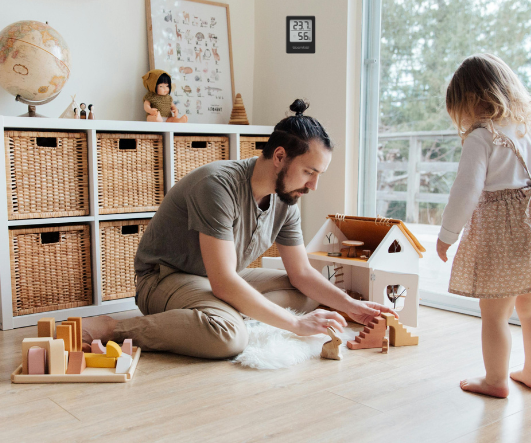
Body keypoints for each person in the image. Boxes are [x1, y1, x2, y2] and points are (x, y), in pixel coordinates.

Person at [83, 99, 396, 358]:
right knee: (230, 337)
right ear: (280, 156)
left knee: (305, 296)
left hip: (218, 278)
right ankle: (115, 329)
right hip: (165, 277)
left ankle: (228, 313)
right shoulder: (217, 186)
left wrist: (354, 307)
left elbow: (301, 273)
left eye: (319, 175)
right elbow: (223, 282)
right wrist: (295, 326)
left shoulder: (286, 199)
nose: (313, 185)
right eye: (309, 172)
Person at [436, 54, 531, 398]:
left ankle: (496, 380)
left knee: (495, 314)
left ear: (469, 101)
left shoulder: (482, 137)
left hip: (502, 236)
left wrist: (446, 236)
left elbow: (465, 192)